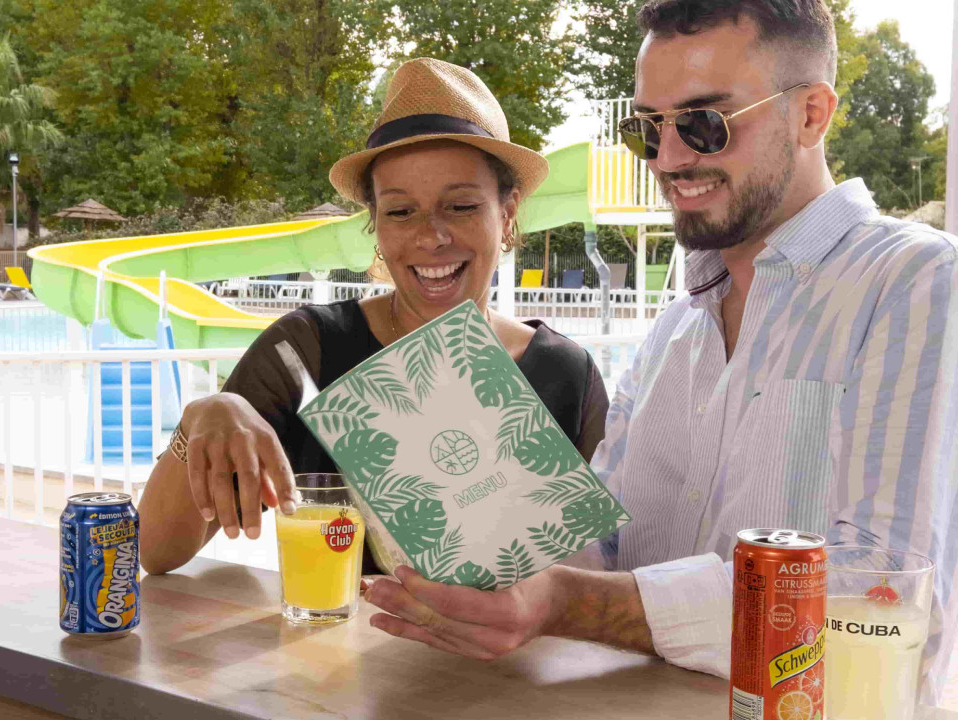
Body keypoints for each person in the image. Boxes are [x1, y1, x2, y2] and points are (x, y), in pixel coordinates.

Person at [361, 0, 958, 706]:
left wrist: (567, 601)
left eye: (705, 123)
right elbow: (604, 553)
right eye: (648, 129)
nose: (672, 158)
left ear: (811, 114)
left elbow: (881, 596)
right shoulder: (675, 329)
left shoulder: (924, 286)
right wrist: (473, 530)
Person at [138, 58, 610, 577]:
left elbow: (600, 573)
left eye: (461, 207)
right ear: (375, 223)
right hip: (340, 653)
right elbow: (155, 552)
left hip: (506, 660)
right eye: (401, 211)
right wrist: (202, 417)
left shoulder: (566, 374)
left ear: (508, 210)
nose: (431, 237)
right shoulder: (306, 352)